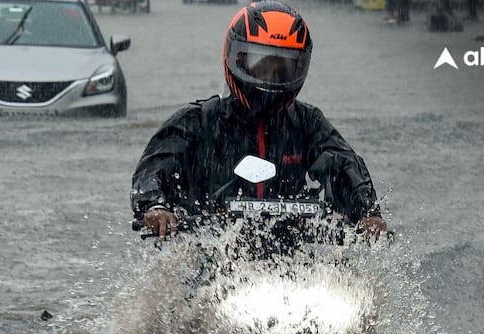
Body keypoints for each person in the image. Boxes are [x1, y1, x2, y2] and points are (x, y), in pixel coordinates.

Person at [130, 0, 387, 245]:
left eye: (283, 68)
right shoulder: (198, 121)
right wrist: (155, 207)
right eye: (262, 66)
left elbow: (345, 163)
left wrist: (367, 212)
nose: (272, 78)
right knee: (169, 287)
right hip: (207, 254)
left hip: (293, 257)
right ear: (237, 60)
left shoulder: (308, 123)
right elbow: (152, 169)